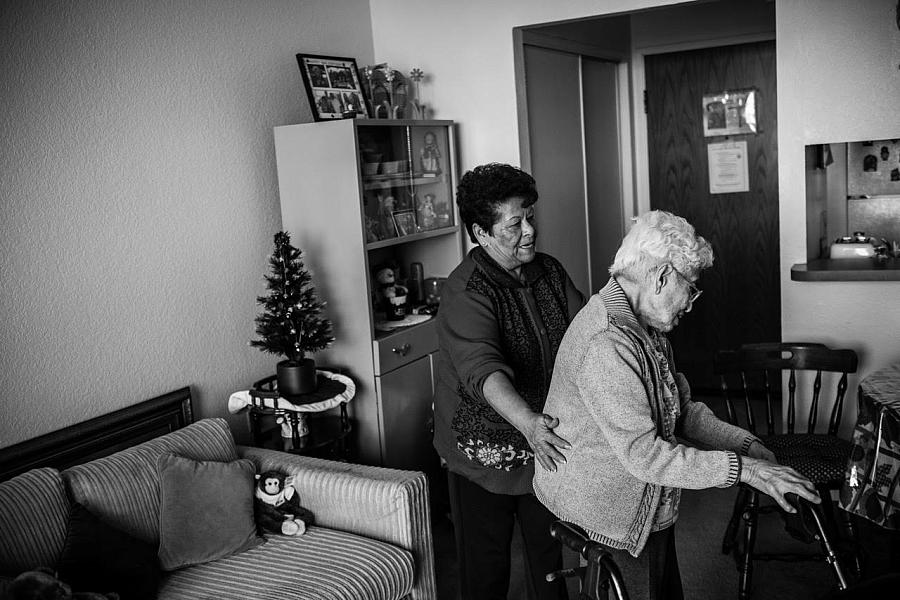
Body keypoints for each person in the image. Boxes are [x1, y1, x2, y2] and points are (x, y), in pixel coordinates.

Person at [533, 210, 820, 600]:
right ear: (661, 276)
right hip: (611, 510)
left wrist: (748, 447)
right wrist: (746, 471)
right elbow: (645, 456)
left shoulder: (646, 328)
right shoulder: (606, 343)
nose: (692, 302)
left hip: (644, 502)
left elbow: (682, 411)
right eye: (692, 287)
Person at [433, 163, 585, 600]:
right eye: (515, 223)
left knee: (550, 556)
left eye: (530, 216)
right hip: (484, 452)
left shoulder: (548, 272)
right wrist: (529, 423)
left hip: (544, 446)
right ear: (481, 233)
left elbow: (586, 331)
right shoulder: (467, 292)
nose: (530, 231)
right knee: (486, 568)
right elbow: (485, 371)